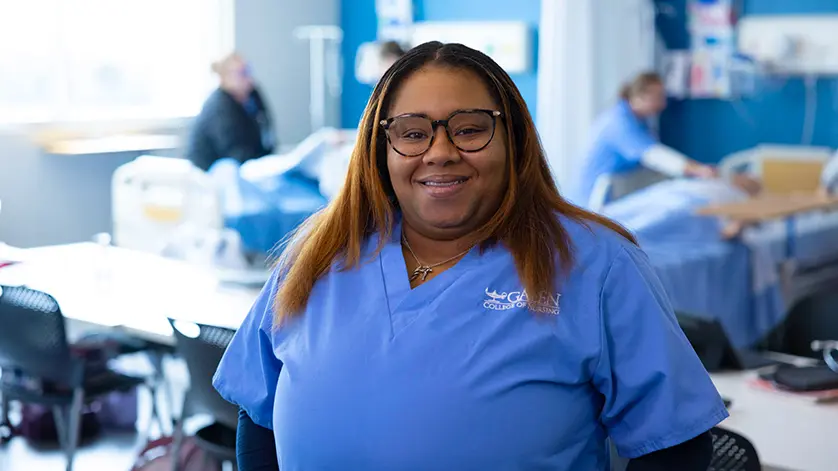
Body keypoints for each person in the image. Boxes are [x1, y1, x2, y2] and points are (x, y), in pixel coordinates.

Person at [213, 42, 728, 471]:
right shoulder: (318, 253)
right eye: (413, 133)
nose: (440, 151)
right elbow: (258, 416)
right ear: (380, 147)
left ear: (513, 140)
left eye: (469, 128)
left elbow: (675, 445)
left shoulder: (595, 265)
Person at [572, 71, 717, 210]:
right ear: (638, 97)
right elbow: (655, 156)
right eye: (658, 97)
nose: (663, 104)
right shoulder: (619, 123)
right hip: (594, 202)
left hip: (613, 197)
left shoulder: (637, 122)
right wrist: (699, 170)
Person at [185, 53, 277, 171]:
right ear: (225, 77)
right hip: (213, 168)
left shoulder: (252, 96)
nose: (248, 77)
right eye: (242, 73)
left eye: (248, 70)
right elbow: (233, 151)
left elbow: (265, 127)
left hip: (247, 161)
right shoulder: (219, 106)